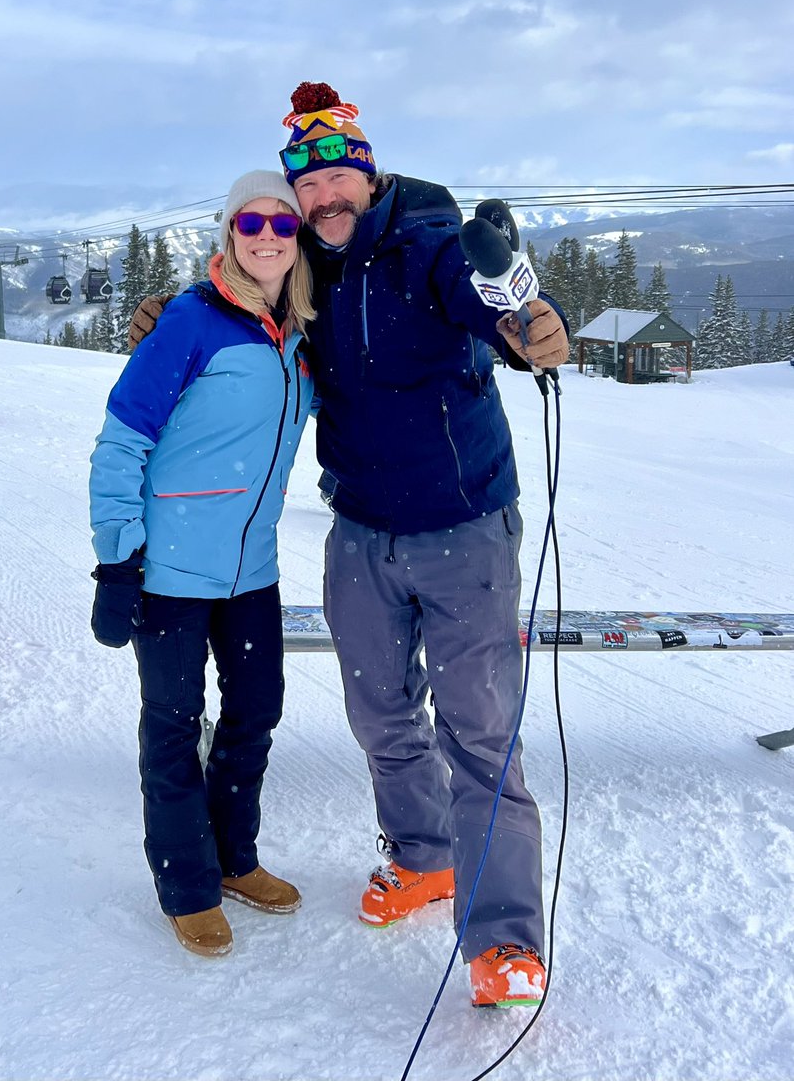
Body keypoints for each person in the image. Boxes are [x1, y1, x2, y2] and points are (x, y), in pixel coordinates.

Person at [129, 85, 570, 1008]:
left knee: (481, 737)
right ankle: (420, 860)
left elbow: (492, 301)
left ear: (367, 177)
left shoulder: (429, 245)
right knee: (382, 721)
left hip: (463, 531)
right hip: (363, 534)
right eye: (310, 185)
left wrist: (531, 326)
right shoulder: (311, 271)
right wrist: (160, 321)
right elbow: (242, 296)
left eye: (340, 178)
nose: (326, 198)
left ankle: (506, 946)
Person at [89, 170, 315, 958]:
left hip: (252, 568)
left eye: (281, 225)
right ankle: (185, 883)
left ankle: (233, 859)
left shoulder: (297, 336)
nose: (265, 236)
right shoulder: (189, 322)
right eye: (249, 222)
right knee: (174, 728)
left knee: (254, 715)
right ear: (229, 232)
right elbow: (122, 440)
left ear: (298, 239)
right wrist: (118, 561)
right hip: (170, 573)